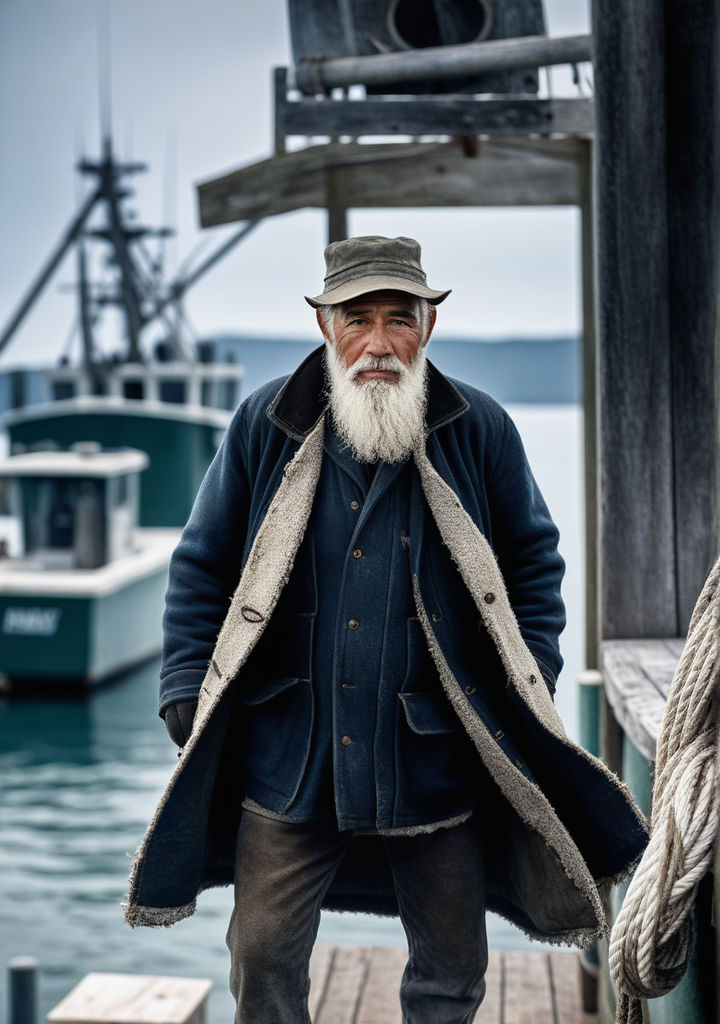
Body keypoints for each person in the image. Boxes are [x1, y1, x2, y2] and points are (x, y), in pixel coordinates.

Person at [125, 236, 647, 1024]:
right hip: (288, 759)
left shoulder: (481, 429)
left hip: (437, 756)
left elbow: (534, 567)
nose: (377, 342)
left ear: (427, 327)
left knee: (452, 972)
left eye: (398, 319)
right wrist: (182, 697)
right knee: (261, 959)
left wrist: (526, 679)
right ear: (325, 324)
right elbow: (201, 566)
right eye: (356, 317)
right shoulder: (263, 423)